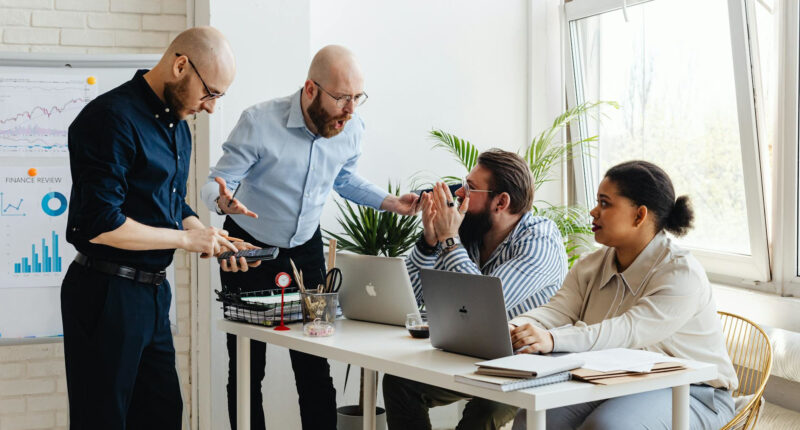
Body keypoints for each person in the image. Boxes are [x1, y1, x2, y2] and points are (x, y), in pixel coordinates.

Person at [200, 45, 420, 430]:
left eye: (357, 99)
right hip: (251, 246)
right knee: (249, 364)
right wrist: (222, 200)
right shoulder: (258, 121)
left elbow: (344, 178)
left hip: (305, 250)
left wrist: (391, 203)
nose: (350, 111)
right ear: (310, 89)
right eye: (341, 98)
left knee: (315, 362)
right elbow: (217, 181)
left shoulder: (351, 128)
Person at [61, 27, 255, 430]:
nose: (211, 108)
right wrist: (187, 238)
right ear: (180, 65)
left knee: (163, 414)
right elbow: (100, 222)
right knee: (103, 420)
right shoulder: (109, 119)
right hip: (105, 293)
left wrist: (209, 236)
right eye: (210, 93)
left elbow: (170, 203)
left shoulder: (177, 126)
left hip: (152, 293)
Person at [508, 160, 737, 429]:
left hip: (693, 391)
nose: (593, 212)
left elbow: (626, 332)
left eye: (605, 203)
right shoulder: (590, 264)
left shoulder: (680, 274)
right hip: (617, 379)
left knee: (608, 426)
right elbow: (556, 311)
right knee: (533, 418)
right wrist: (512, 327)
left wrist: (551, 339)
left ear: (639, 216)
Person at [383, 148, 568, 430]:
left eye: (471, 188)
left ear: (501, 201)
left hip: (525, 363)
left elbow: (483, 305)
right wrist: (429, 244)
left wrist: (448, 240)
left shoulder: (540, 241)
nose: (459, 194)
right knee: (399, 383)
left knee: (485, 409)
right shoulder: (470, 232)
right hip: (470, 353)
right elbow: (408, 300)